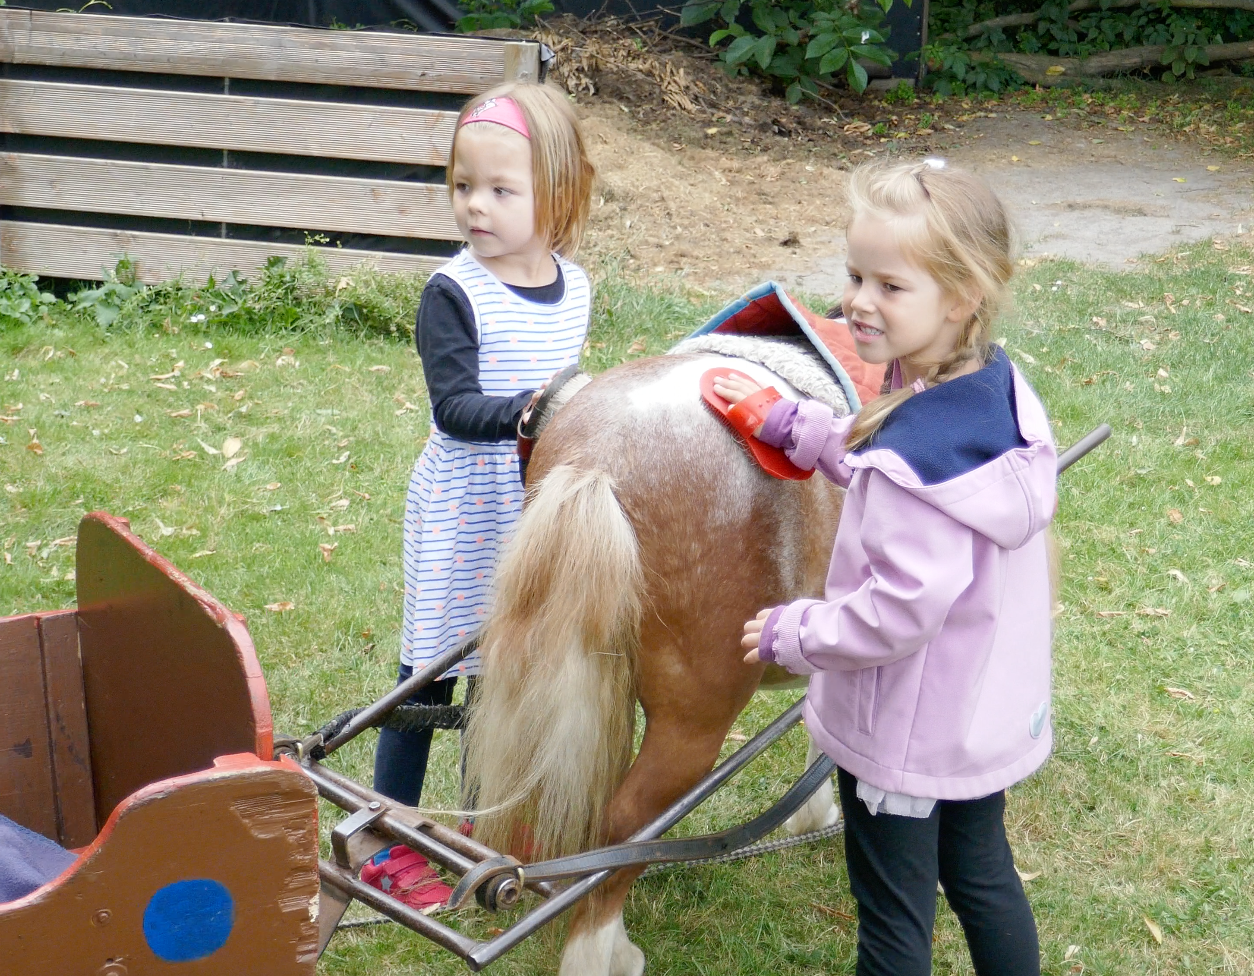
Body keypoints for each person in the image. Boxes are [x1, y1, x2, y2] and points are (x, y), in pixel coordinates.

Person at [713, 159, 1054, 976]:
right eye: (856, 275)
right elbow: (904, 468)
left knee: (894, 924)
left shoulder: (913, 460)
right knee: (981, 874)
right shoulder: (995, 391)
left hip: (904, 736)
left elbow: (899, 611)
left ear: (961, 296)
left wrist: (799, 632)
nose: (858, 301)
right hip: (973, 715)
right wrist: (811, 434)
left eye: (890, 286)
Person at [366, 82, 595, 909]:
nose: (475, 206)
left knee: (504, 672)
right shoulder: (452, 292)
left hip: (531, 509)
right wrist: (530, 412)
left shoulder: (575, 288)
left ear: (557, 194)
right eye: (464, 185)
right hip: (463, 511)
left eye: (501, 190)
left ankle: (475, 823)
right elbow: (456, 410)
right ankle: (386, 840)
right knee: (428, 678)